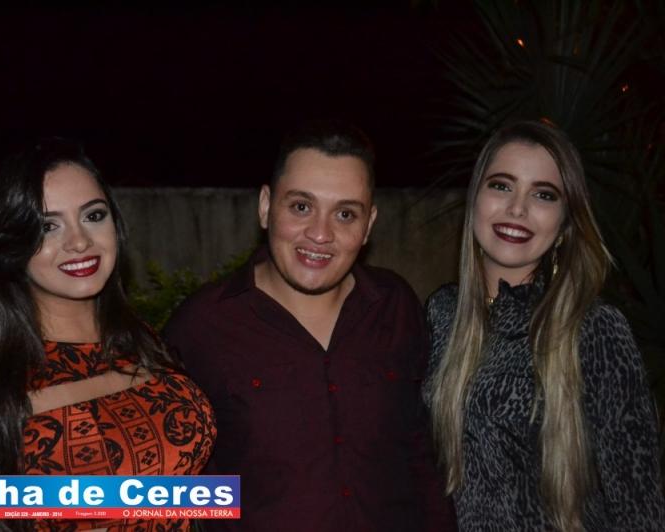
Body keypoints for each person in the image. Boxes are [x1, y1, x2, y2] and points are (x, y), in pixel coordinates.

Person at [0, 138, 216, 531]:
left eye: (93, 215)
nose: (79, 241)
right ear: (13, 244)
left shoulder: (142, 341)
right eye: (48, 226)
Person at [163, 120, 454, 531]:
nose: (320, 234)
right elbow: (175, 484)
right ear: (266, 207)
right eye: (301, 207)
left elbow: (419, 453)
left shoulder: (395, 306)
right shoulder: (202, 327)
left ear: (368, 225)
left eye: (345, 214)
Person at [425, 120, 665, 531]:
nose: (517, 208)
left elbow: (639, 506)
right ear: (475, 198)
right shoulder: (441, 313)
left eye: (543, 194)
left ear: (565, 224)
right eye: (501, 185)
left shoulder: (595, 328)